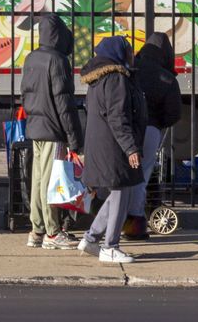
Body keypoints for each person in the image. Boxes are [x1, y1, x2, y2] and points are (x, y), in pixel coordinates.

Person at [77, 36, 147, 264]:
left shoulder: (99, 79)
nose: (131, 55)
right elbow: (118, 116)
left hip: (105, 145)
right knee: (120, 193)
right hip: (114, 146)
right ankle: (110, 246)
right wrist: (130, 147)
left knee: (119, 195)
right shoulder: (116, 78)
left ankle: (92, 238)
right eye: (128, 50)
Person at [19, 13, 85, 250]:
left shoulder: (31, 58)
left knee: (38, 180)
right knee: (51, 181)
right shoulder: (58, 61)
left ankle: (36, 229)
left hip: (35, 127)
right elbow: (64, 104)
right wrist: (74, 138)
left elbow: (24, 95)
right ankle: (53, 232)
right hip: (53, 129)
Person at [124, 33, 182, 241]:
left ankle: (113, 220)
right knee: (142, 175)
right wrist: (160, 124)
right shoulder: (167, 78)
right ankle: (135, 222)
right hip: (150, 129)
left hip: (126, 128)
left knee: (121, 175)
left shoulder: (130, 71)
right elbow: (174, 113)